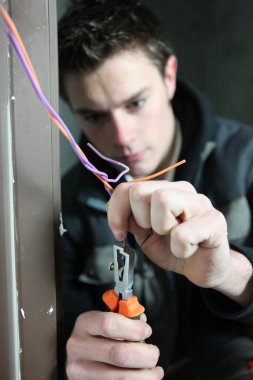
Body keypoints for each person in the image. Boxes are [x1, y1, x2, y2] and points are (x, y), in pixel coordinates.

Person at [58, 0, 253, 378]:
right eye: (94, 116)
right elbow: (62, 340)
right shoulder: (64, 209)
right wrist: (75, 363)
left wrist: (228, 273)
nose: (122, 138)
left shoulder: (247, 160)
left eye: (135, 103)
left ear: (169, 76)